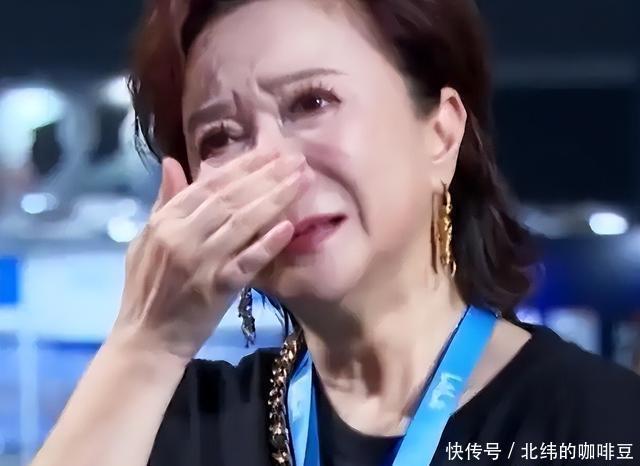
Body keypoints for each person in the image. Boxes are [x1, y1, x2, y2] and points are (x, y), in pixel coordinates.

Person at [32, 1, 640, 465]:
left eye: (312, 102)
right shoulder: (174, 425)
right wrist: (146, 344)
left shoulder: (600, 426)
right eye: (220, 138)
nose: (272, 166)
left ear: (441, 133)